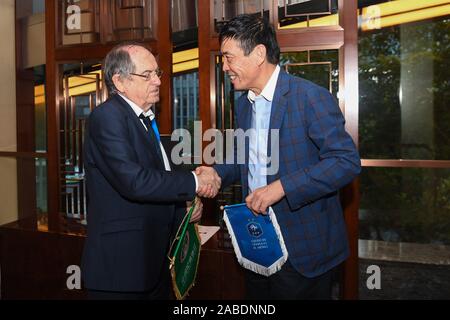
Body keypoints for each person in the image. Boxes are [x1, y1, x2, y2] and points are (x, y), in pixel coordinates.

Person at [197, 14, 361, 300]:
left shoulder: (309, 97)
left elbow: (345, 162)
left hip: (304, 250)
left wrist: (282, 187)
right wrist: (216, 173)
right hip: (258, 245)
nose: (225, 67)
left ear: (259, 53)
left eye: (228, 57)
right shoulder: (244, 104)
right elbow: (244, 156)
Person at [82, 42, 220, 300]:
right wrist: (194, 181)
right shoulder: (108, 117)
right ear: (120, 82)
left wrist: (183, 207)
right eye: (147, 75)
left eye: (157, 73)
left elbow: (155, 182)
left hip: (151, 264)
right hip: (121, 270)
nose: (157, 81)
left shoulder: (143, 119)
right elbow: (134, 181)